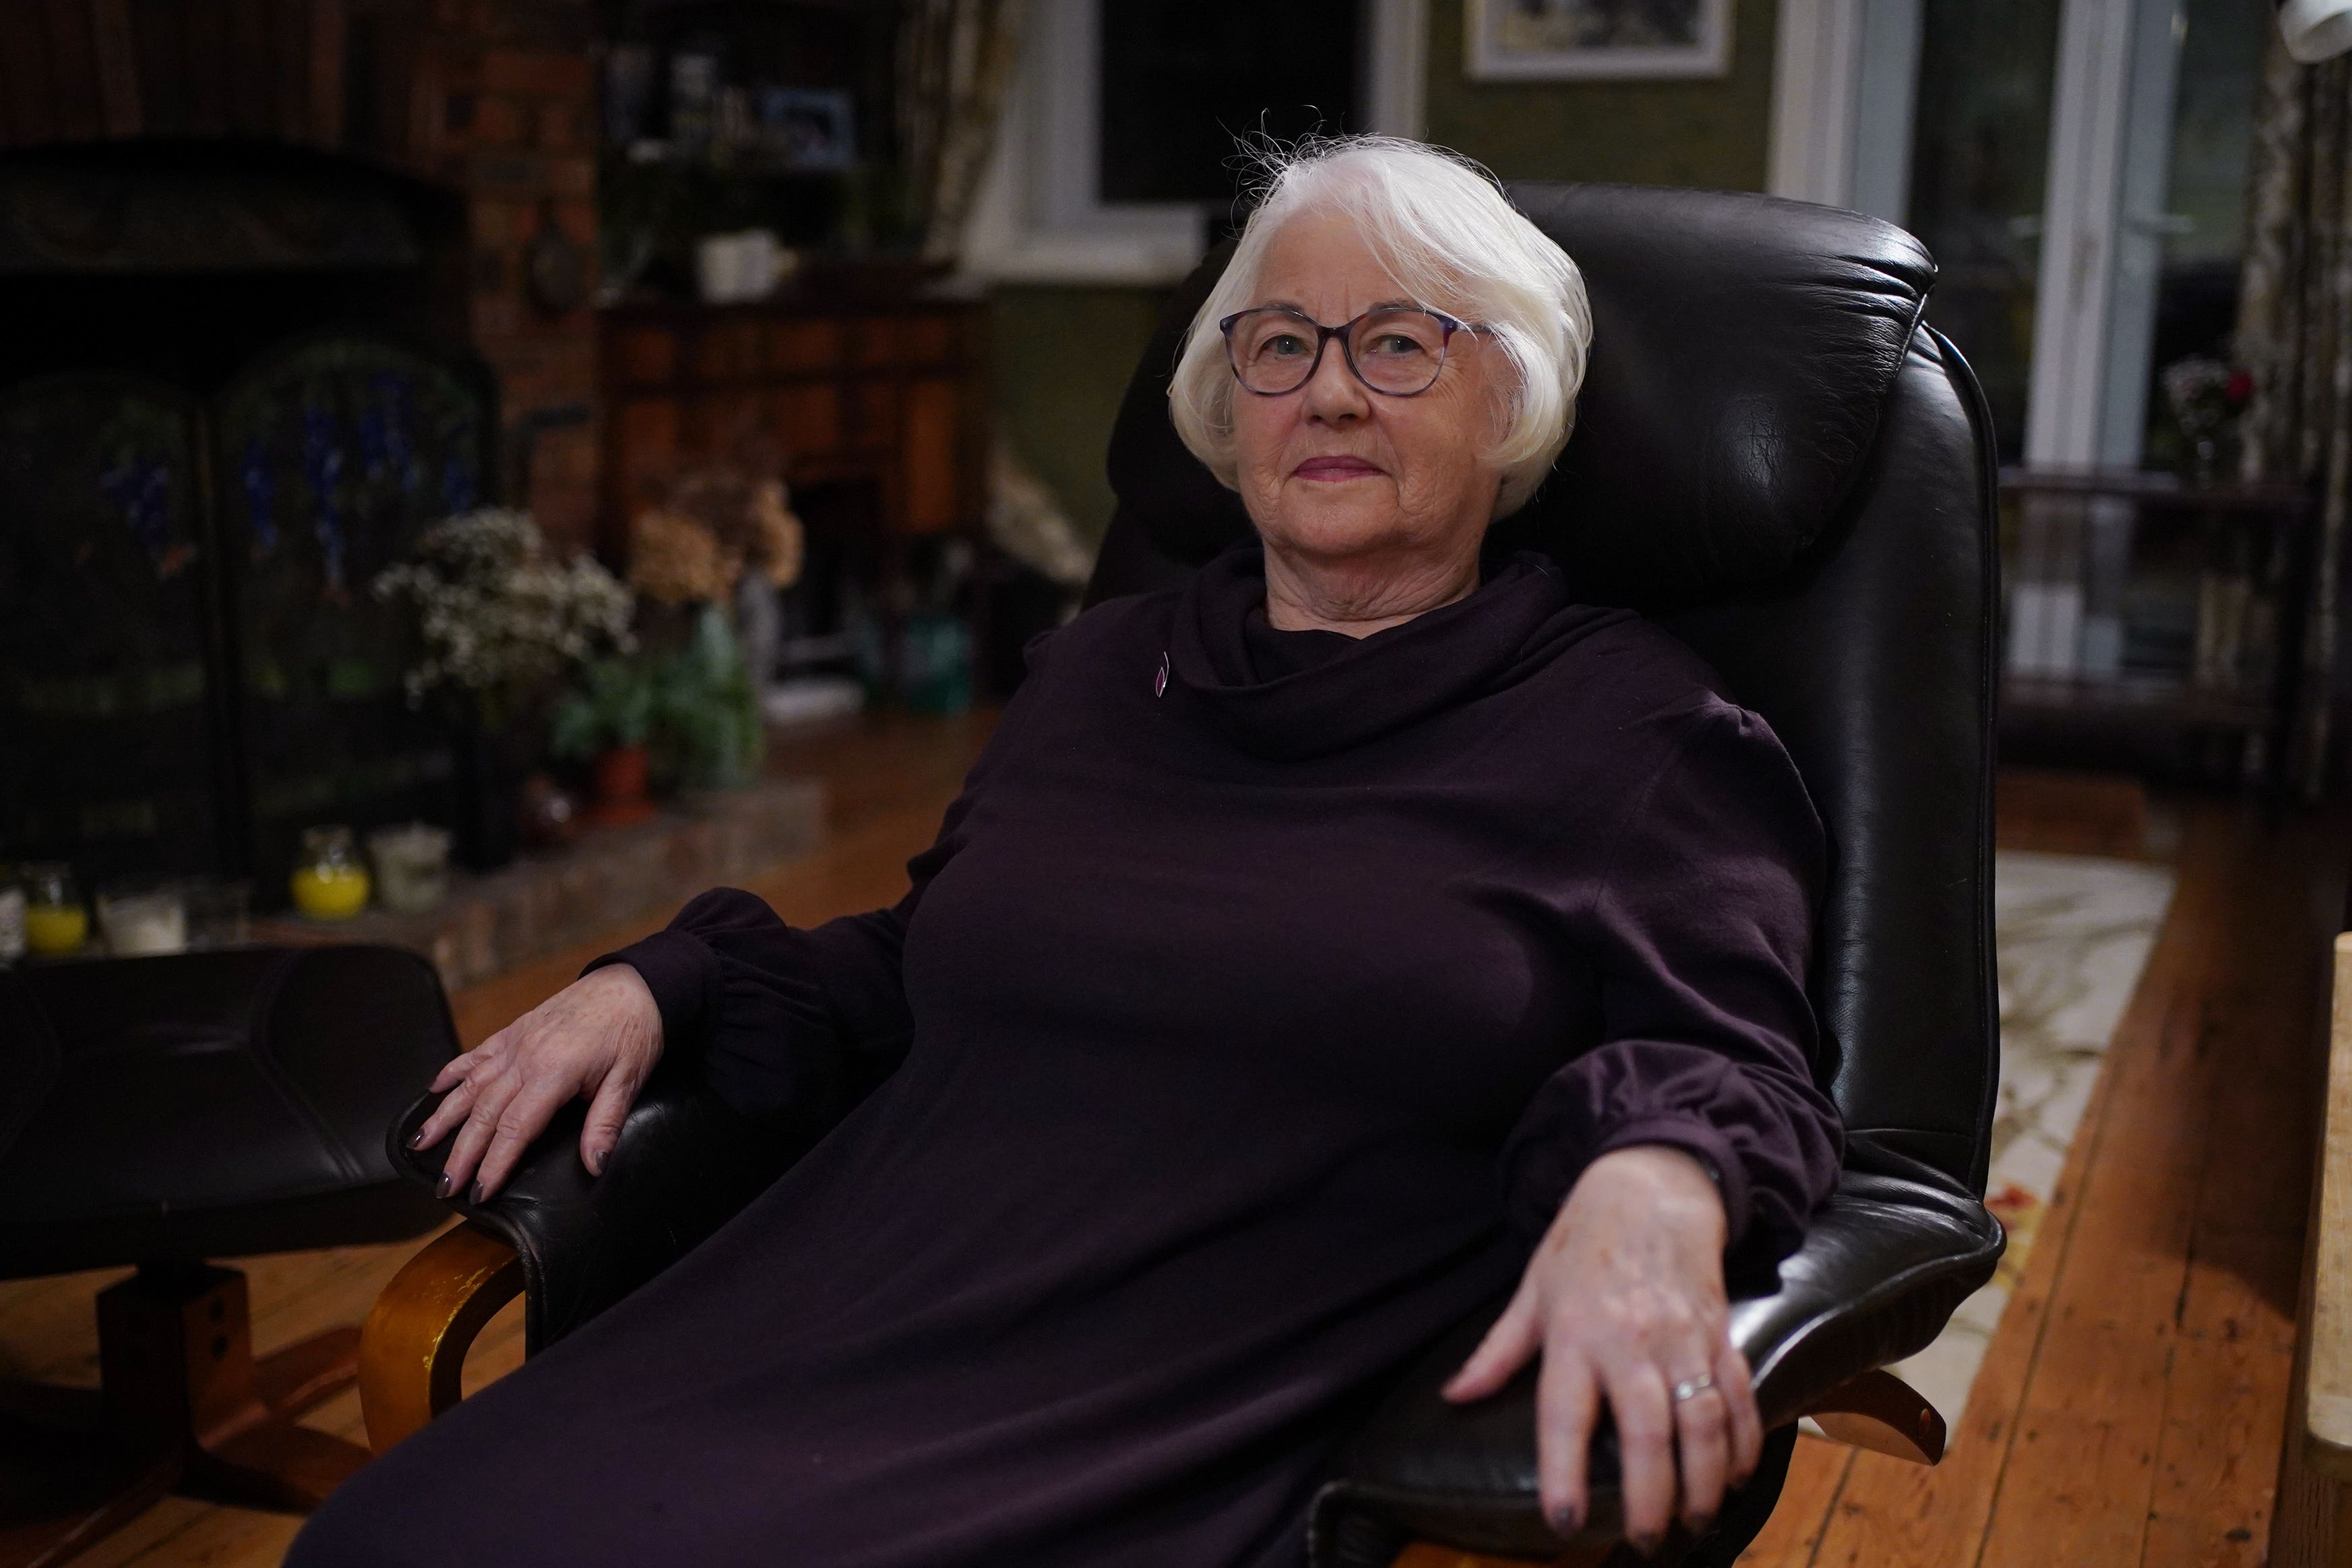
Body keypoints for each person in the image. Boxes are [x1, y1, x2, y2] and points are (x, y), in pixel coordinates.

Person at [291, 135, 1840, 1567]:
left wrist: (1655, 1175)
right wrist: (660, 982)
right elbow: (928, 958)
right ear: (1226, 410)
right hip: (851, 1304)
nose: (1331, 394)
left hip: (1156, 1402)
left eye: (1399, 341)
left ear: (1508, 400)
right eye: (1281, 346)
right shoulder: (1104, 670)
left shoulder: (1637, 735)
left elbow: (1739, 1056)